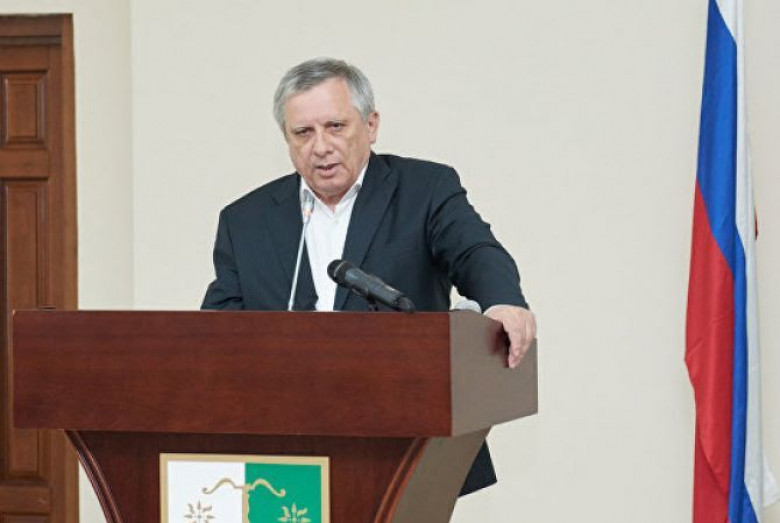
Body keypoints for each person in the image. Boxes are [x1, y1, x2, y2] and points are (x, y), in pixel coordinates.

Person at [202, 57, 537, 496]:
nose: (320, 146)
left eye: (335, 126)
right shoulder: (245, 220)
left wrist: (501, 300)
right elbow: (217, 331)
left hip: (403, 440)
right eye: (303, 133)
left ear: (371, 125)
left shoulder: (424, 189)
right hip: (283, 447)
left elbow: (474, 251)